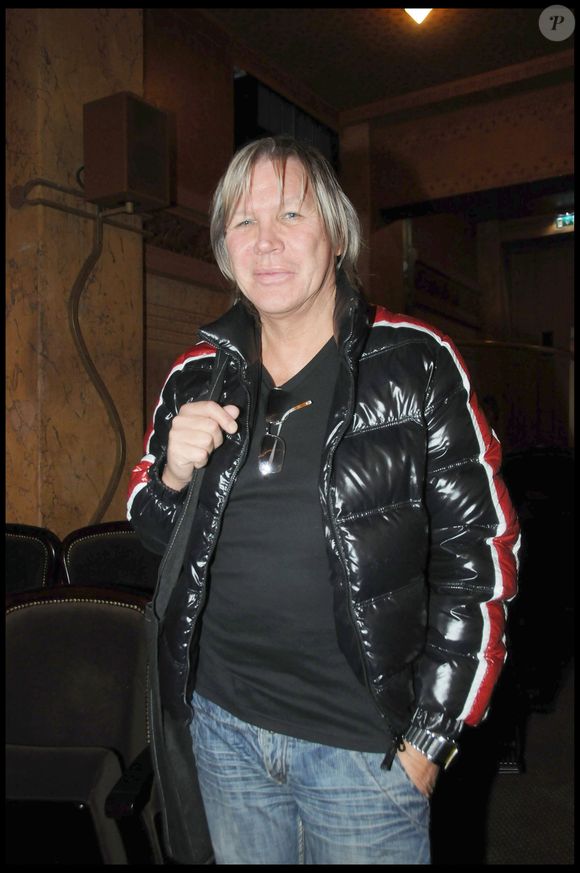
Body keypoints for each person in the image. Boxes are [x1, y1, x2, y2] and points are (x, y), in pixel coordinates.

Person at [128, 135, 520, 865]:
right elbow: (152, 532)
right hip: (225, 731)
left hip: (364, 755)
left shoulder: (416, 362)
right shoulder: (193, 374)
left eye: (291, 216)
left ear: (336, 235)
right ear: (222, 248)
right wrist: (172, 478)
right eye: (243, 222)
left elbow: (484, 559)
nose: (266, 241)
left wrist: (429, 740)